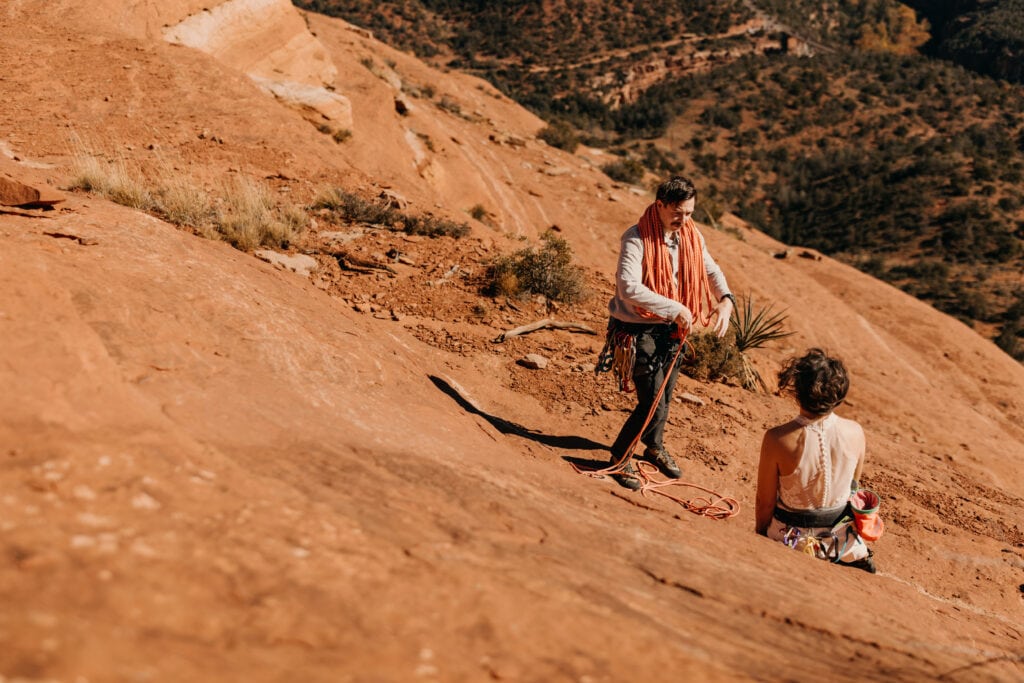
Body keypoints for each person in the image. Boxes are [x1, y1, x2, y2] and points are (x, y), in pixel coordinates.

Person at [605, 175, 734, 490]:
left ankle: (654, 445)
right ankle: (620, 457)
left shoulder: (690, 236)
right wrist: (673, 307)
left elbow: (710, 269)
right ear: (659, 205)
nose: (684, 219)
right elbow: (628, 286)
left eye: (689, 213)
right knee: (651, 399)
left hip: (673, 330)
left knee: (666, 394)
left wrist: (726, 301)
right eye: (678, 212)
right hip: (637, 329)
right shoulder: (635, 238)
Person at [755, 348, 876, 572]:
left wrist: (760, 535)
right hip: (842, 543)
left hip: (790, 539)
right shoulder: (856, 432)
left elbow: (765, 503)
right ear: (838, 395)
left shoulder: (777, 438)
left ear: (797, 390)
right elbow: (853, 489)